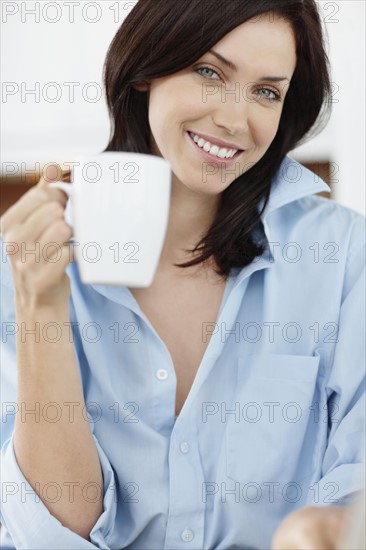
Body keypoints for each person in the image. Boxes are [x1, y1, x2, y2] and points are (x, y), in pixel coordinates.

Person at [0, 0, 365, 548]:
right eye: (209, 72)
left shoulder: (340, 253)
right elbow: (55, 535)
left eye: (266, 91)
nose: (234, 119)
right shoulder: (31, 259)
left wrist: (330, 526)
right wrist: (40, 308)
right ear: (146, 70)